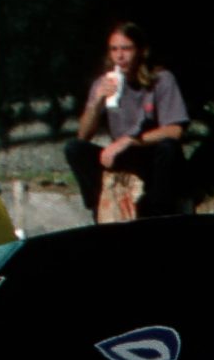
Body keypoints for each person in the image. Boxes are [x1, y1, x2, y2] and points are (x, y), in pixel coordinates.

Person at [65, 22, 188, 219]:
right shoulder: (105, 83)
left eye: (126, 49)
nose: (120, 56)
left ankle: (157, 212)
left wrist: (130, 140)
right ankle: (99, 208)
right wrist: (96, 102)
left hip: (150, 152)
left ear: (140, 51)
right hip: (122, 157)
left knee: (168, 149)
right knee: (74, 148)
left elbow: (175, 130)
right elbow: (83, 135)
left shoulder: (162, 80)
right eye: (114, 50)